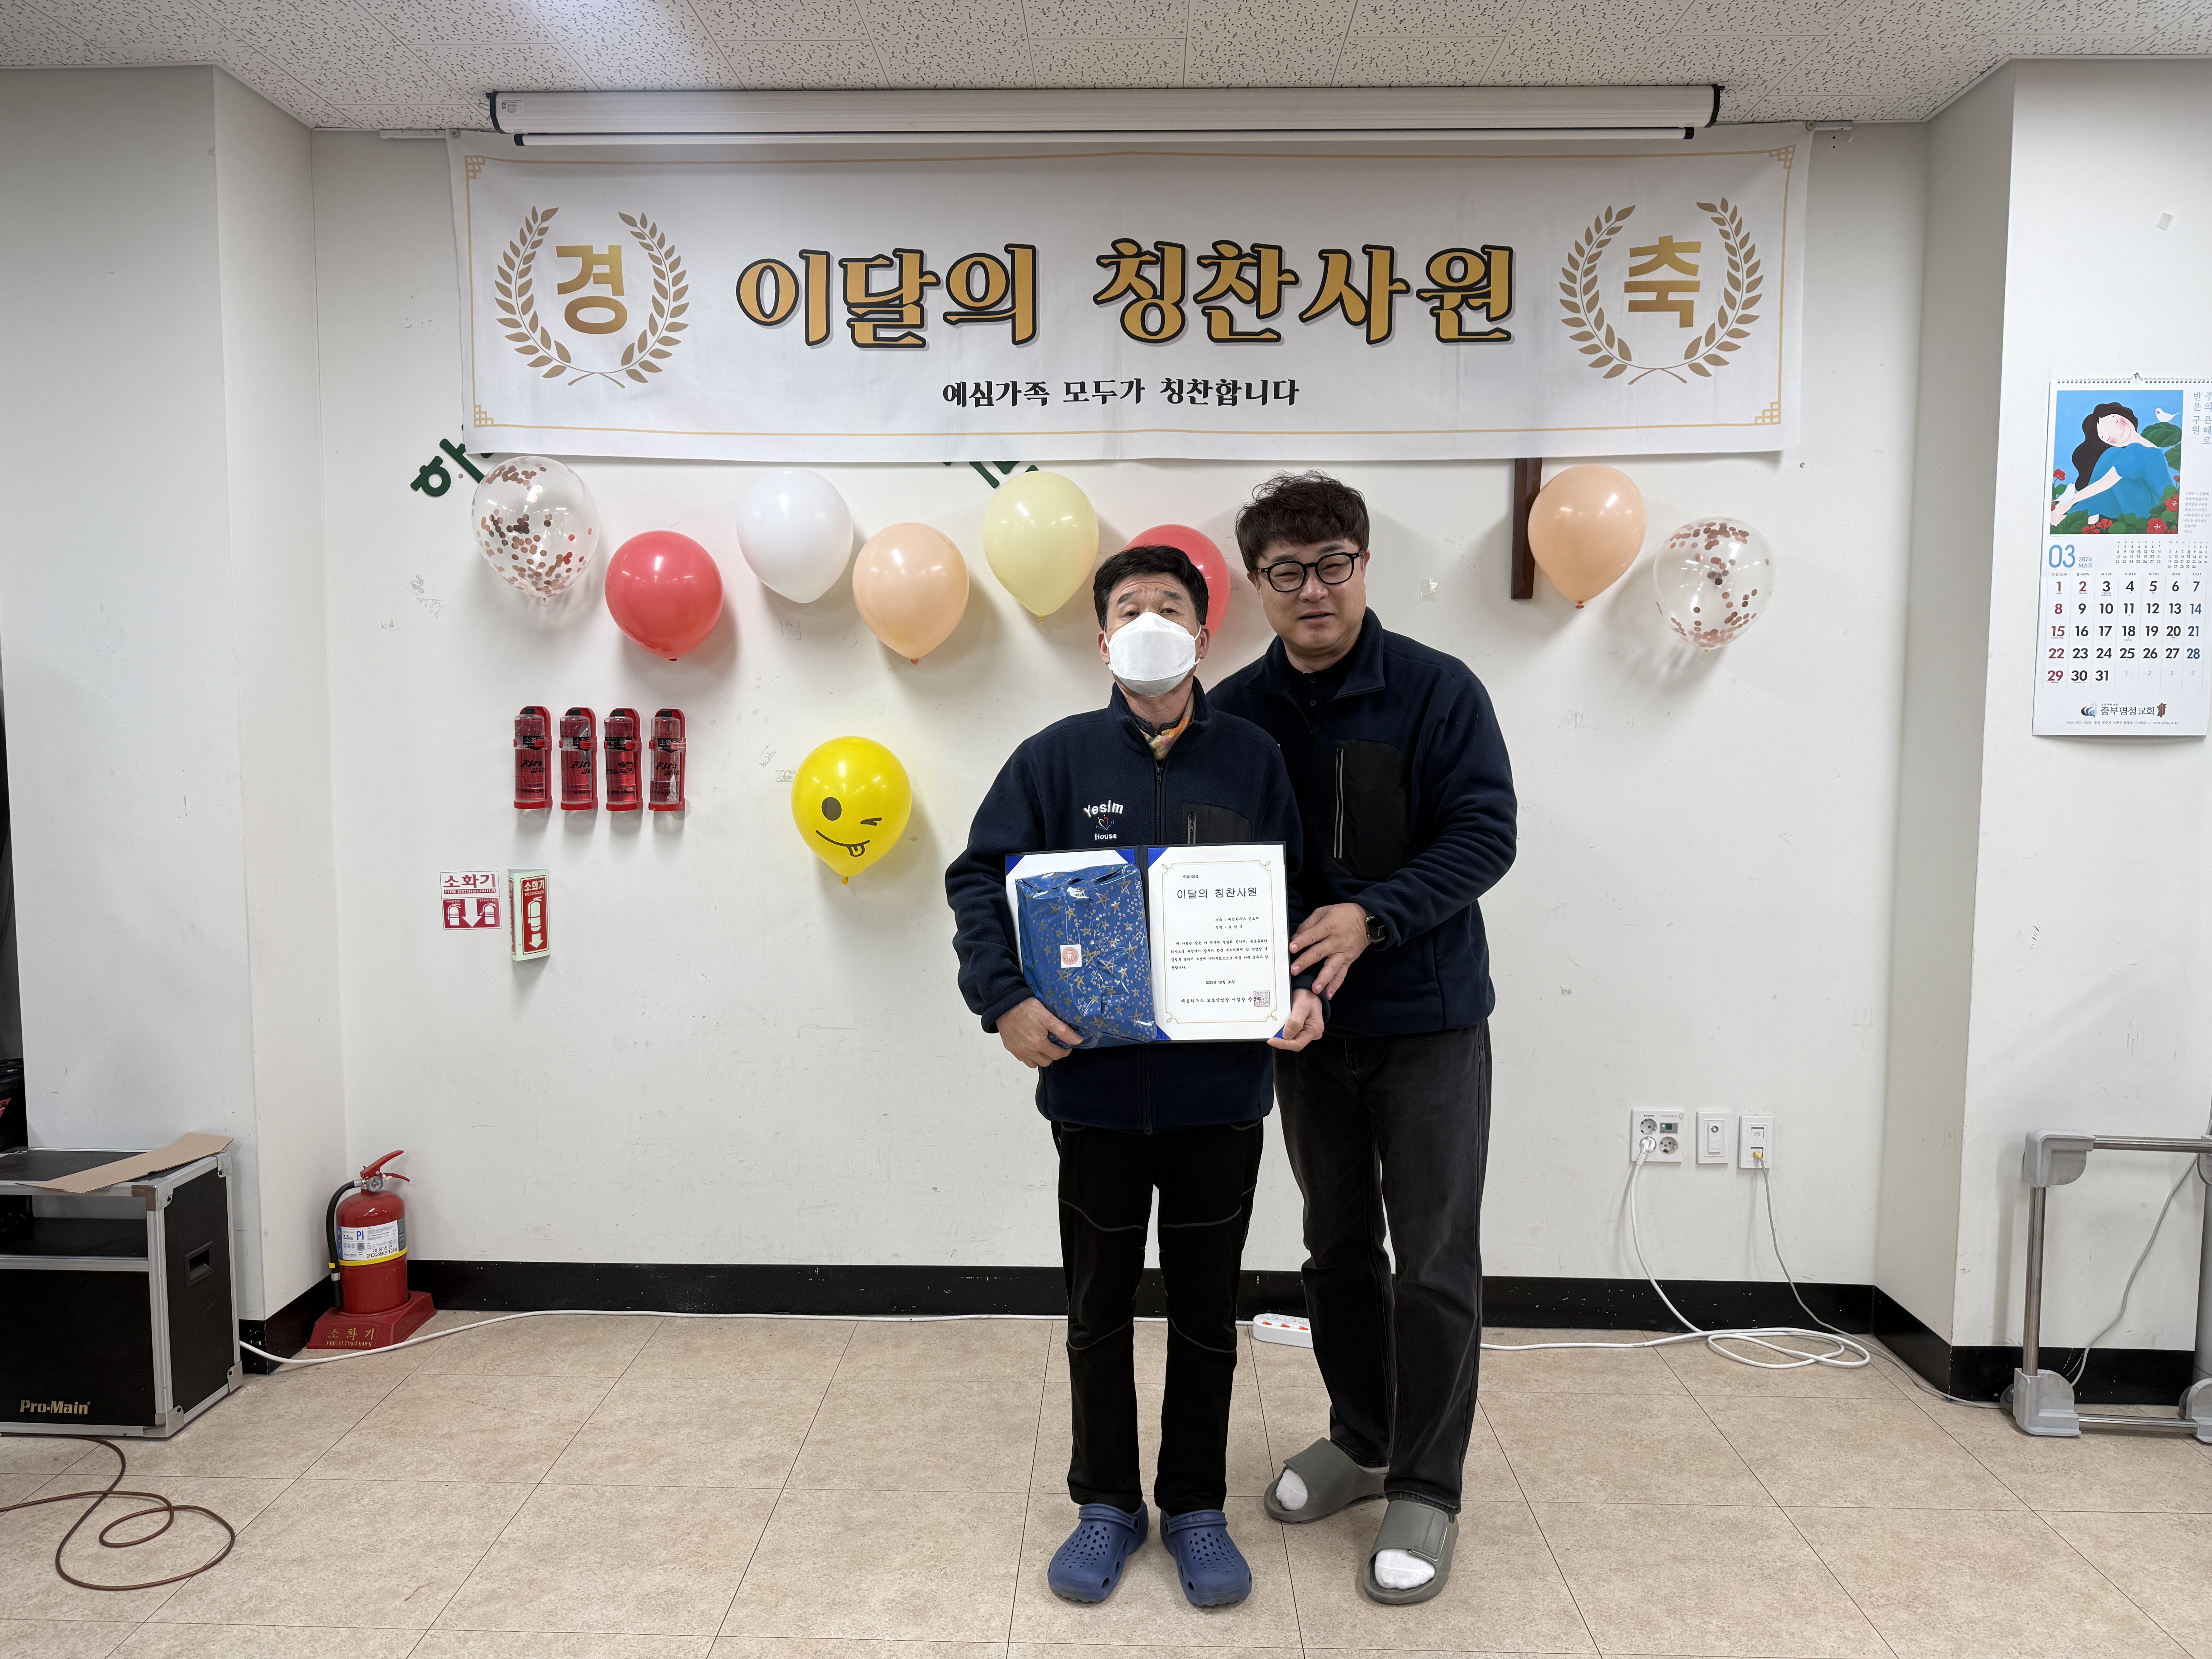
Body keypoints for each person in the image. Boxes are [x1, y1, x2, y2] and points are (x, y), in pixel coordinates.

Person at [945, 544, 1328, 1611]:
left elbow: (1295, 894)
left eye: (1170, 606)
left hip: (1221, 1096)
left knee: (1207, 1309)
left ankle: (1196, 1505)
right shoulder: (1054, 760)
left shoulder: (1252, 757)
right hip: (1095, 1095)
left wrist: (1304, 990)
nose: (1149, 622)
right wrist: (1004, 999)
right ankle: (1107, 1502)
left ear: (1204, 634)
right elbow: (977, 880)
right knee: (1098, 1305)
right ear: (1102, 638)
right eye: (1128, 608)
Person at [1212, 472, 1516, 1607]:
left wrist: (1371, 915)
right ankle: (1361, 1437)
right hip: (1304, 1030)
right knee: (1335, 1249)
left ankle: (1427, 1487)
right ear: (1258, 585)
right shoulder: (1232, 713)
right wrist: (1256, 982)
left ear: (1364, 565)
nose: (1313, 590)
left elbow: (1483, 833)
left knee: (1433, 1258)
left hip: (1429, 1021)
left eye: (1332, 564)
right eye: (1287, 572)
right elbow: (1218, 865)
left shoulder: (1438, 692)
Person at [2051, 402, 2177, 529]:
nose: (2118, 433)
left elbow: (2108, 481)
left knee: (2114, 462)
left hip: (2152, 511)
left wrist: (2067, 503)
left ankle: (2084, 512)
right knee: (2112, 454)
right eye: (2106, 437)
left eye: (2115, 420)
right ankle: (2089, 512)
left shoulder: (2137, 450)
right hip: (2143, 503)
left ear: (2125, 415)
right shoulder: (2140, 449)